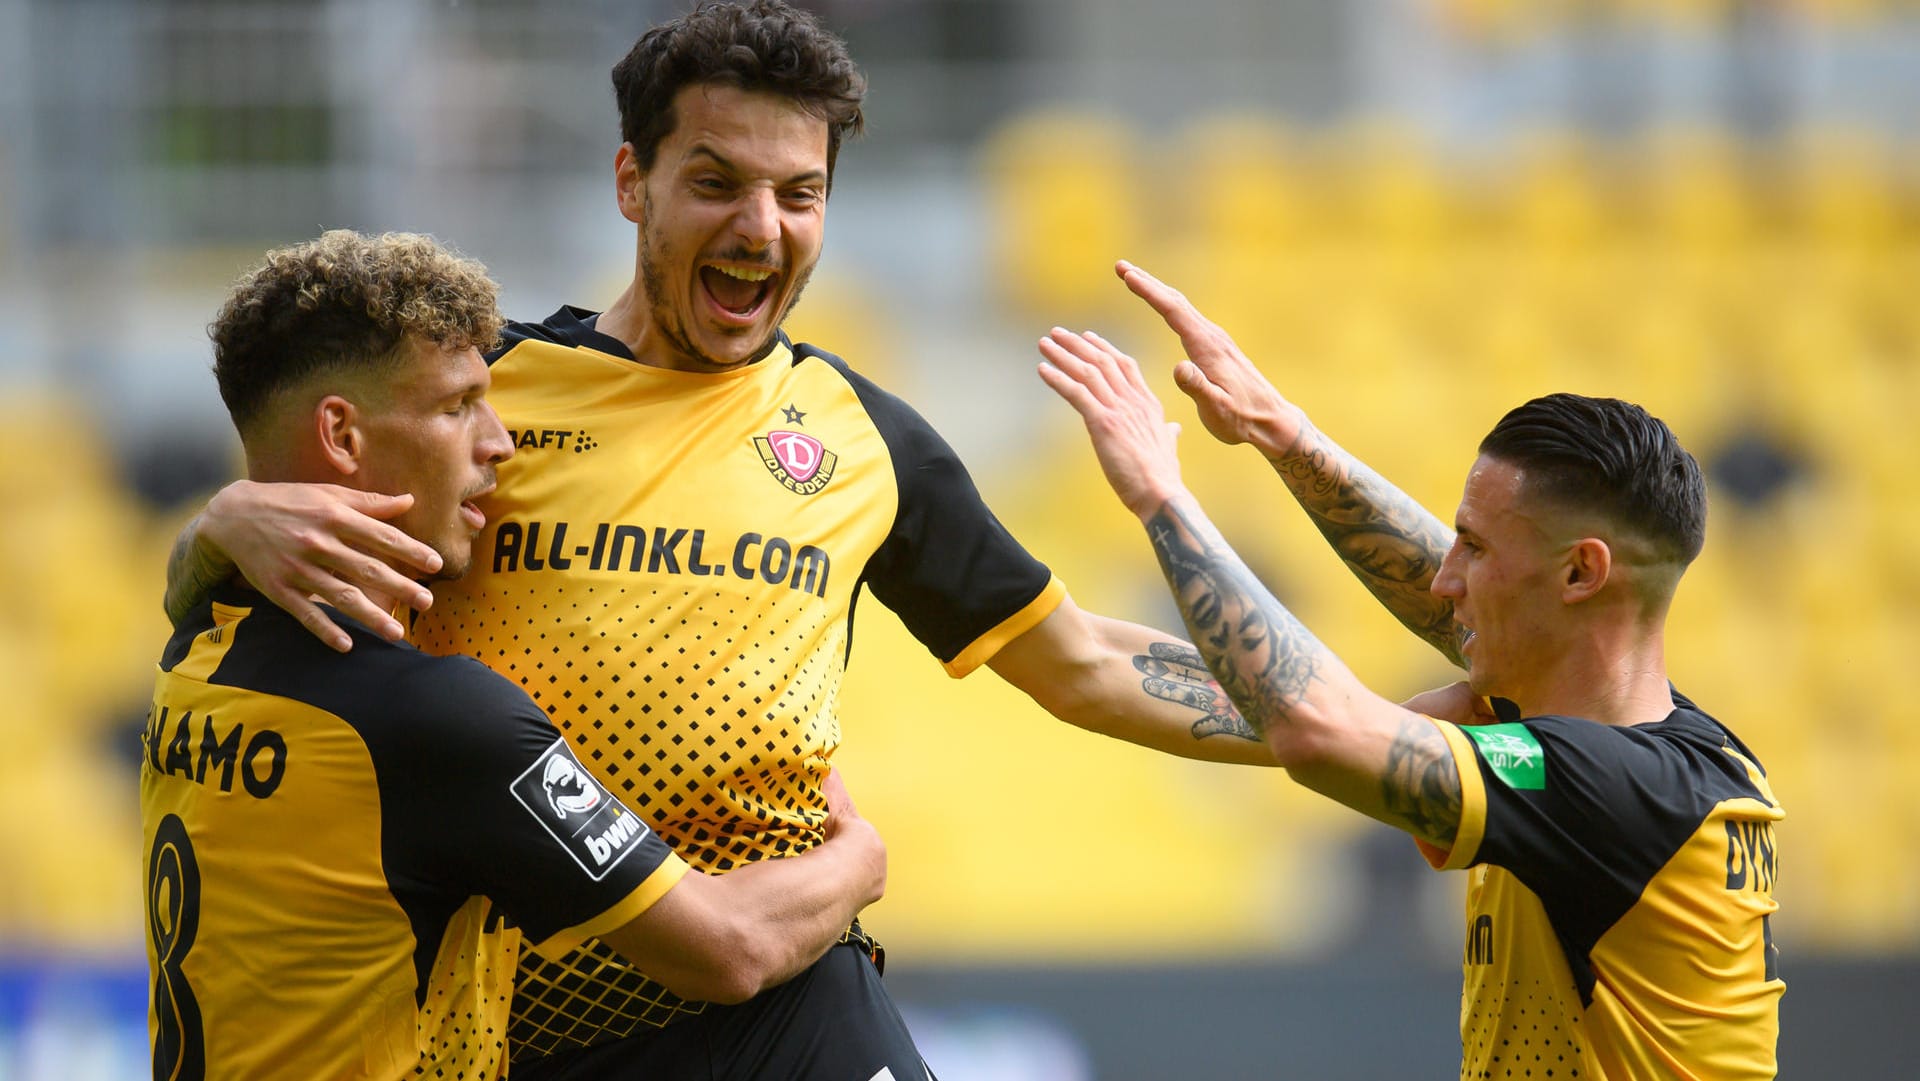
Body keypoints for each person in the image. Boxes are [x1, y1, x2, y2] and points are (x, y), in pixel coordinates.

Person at [158, 3, 1270, 1076]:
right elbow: (277, 574)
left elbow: (1083, 661)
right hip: (524, 1026)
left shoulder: (864, 437)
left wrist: (1347, 729)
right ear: (631, 183)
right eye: (716, 183)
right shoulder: (477, 390)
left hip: (791, 1002)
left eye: (800, 194)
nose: (761, 228)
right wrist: (214, 527)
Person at [143, 229, 886, 1080]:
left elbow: (191, 570)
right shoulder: (437, 722)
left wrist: (222, 518)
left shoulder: (197, 633)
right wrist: (859, 861)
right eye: (458, 406)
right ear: (342, 436)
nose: (501, 442)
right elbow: (730, 946)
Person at [1036, 260, 1785, 1079]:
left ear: (1581, 574)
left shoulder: (1601, 788)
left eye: (1477, 545)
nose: (1444, 576)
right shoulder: (1664, 754)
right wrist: (1284, 435)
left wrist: (1161, 495)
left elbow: (1316, 726)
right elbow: (1462, 614)